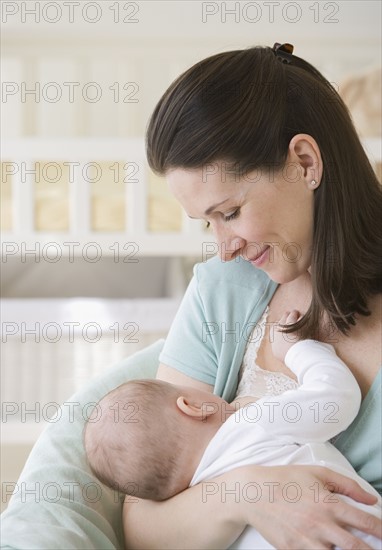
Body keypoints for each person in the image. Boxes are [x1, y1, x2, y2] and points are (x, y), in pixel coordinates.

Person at [123, 42, 382, 549]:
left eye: (231, 212)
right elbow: (143, 527)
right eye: (207, 223)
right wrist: (247, 493)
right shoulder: (222, 294)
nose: (223, 248)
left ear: (305, 162)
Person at [84, 312, 381, 549]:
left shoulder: (206, 522)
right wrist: (298, 351)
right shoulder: (251, 423)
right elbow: (335, 398)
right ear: (192, 406)